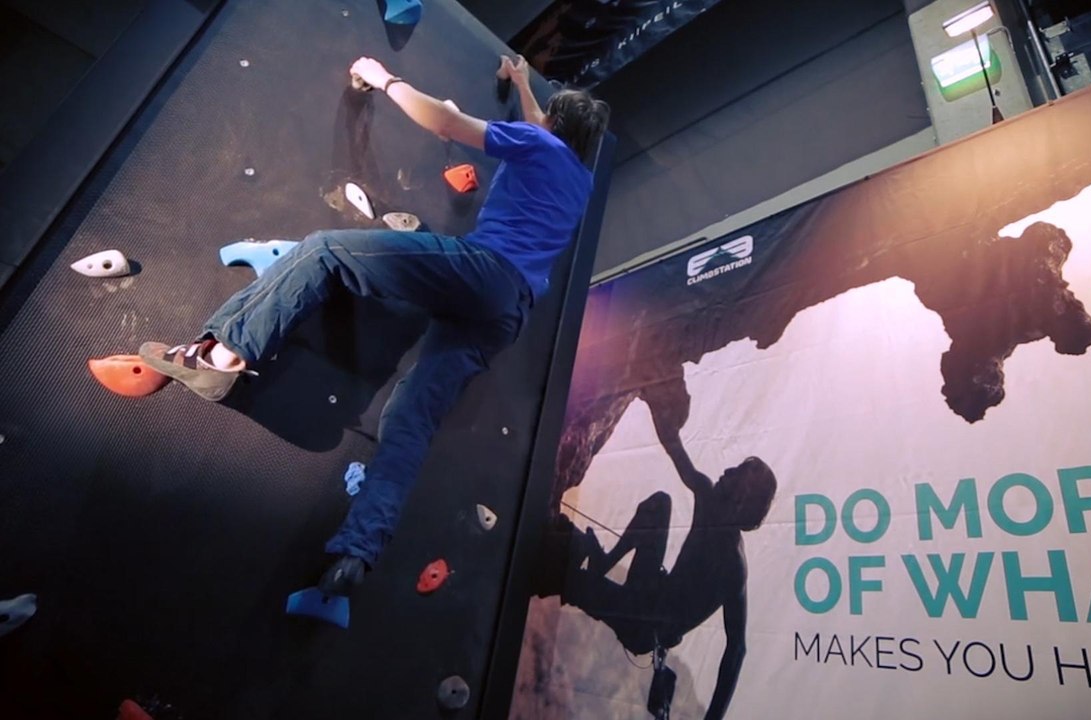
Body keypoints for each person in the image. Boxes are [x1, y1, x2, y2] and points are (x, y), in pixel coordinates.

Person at [138, 54, 609, 596]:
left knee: (325, 250)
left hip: (486, 274)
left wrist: (384, 79)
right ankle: (358, 552)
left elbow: (447, 124)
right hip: (508, 314)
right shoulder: (577, 180)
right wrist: (524, 84)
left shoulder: (541, 144)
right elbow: (540, 124)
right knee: (412, 418)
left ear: (554, 126)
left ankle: (224, 355)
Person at [557, 380, 777, 720]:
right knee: (660, 503)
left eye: (736, 474)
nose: (727, 471)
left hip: (646, 628)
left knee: (567, 576)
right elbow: (675, 448)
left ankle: (593, 571)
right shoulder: (708, 500)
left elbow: (737, 648)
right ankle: (603, 563)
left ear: (743, 498)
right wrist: (652, 392)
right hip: (644, 596)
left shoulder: (733, 565)